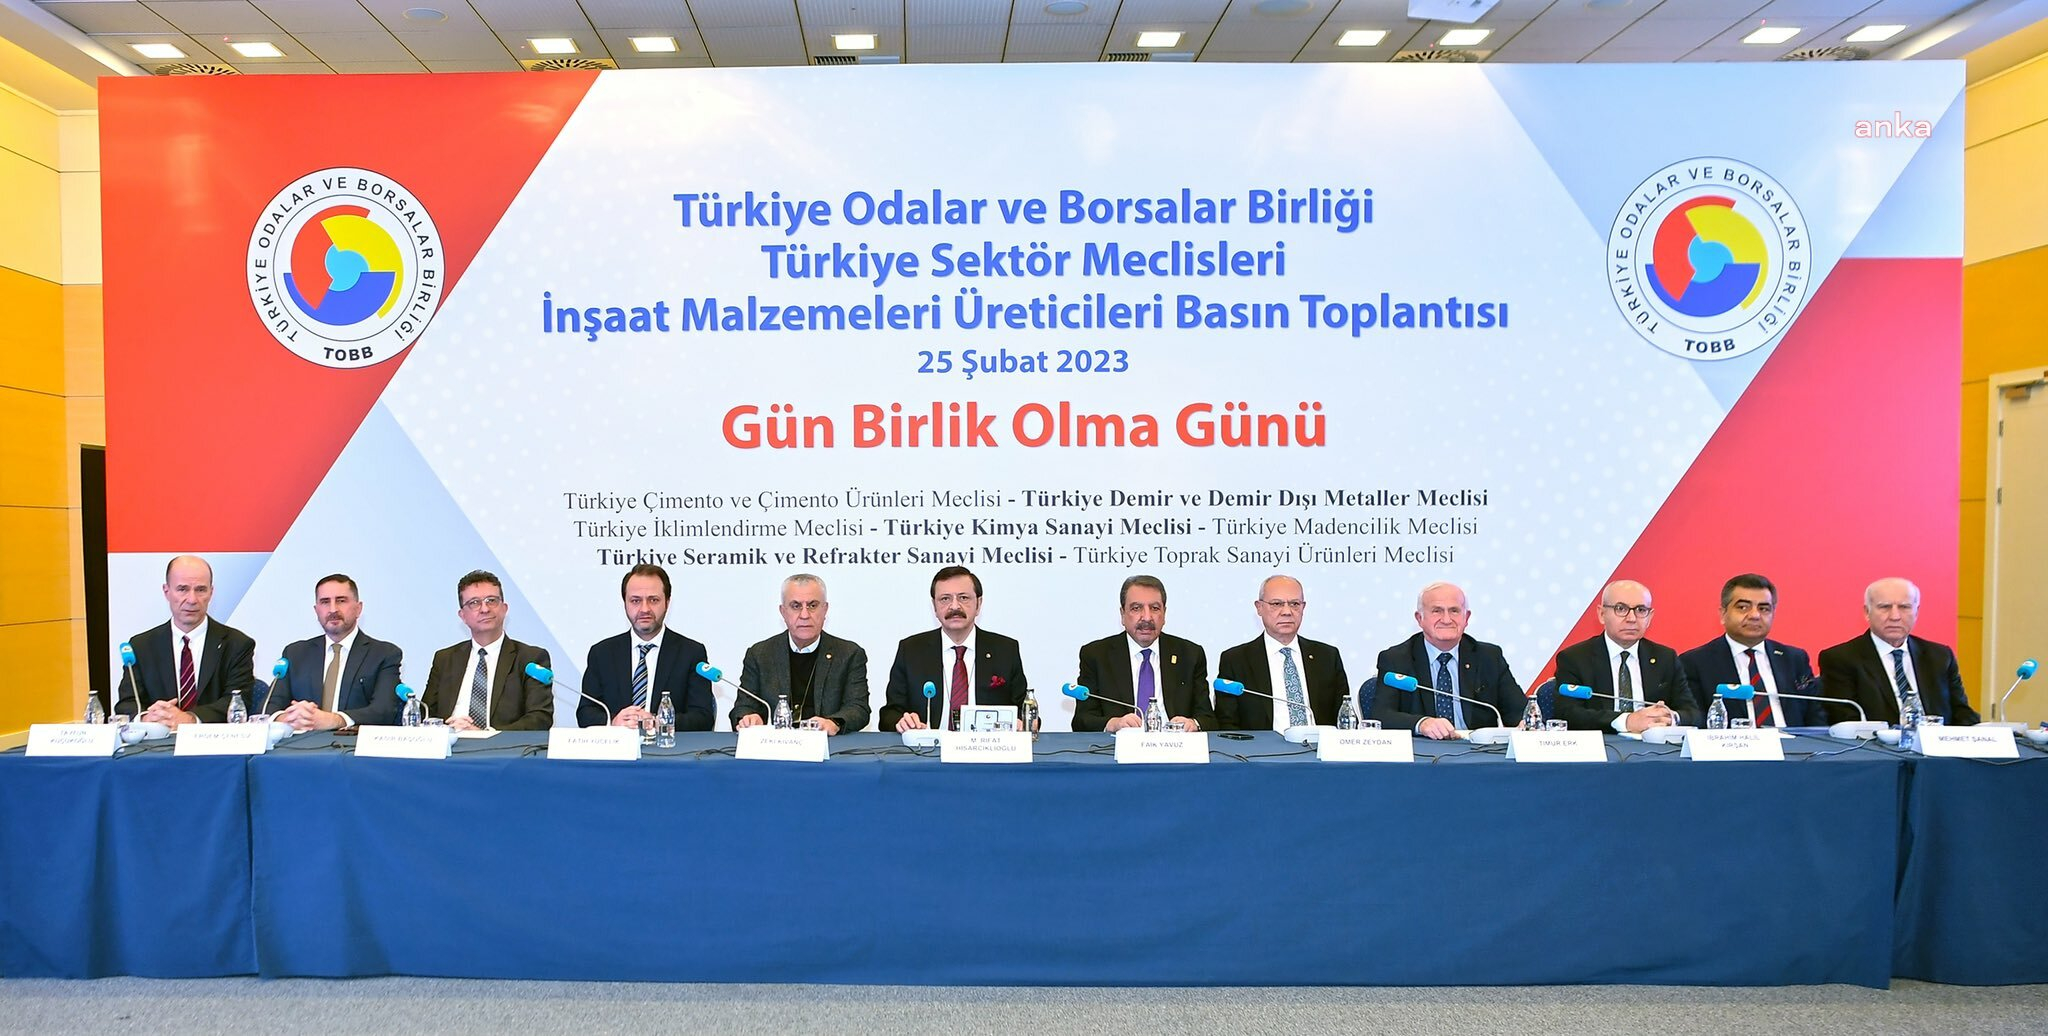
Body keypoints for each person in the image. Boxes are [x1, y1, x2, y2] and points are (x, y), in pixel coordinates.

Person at [880, 566, 1029, 733]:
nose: (955, 606)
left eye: (963, 598)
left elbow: (1026, 713)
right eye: (945, 599)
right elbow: (888, 714)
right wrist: (902, 722)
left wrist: (1023, 723)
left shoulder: (1005, 650)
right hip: (928, 746)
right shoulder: (911, 650)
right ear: (934, 607)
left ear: (979, 604)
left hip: (986, 745)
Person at [113, 554, 256, 726]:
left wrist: (189, 719)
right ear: (166, 591)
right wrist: (146, 718)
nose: (192, 600)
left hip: (211, 739)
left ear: (211, 592)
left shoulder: (237, 644)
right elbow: (127, 704)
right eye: (182, 589)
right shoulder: (141, 646)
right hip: (159, 740)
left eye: (201, 590)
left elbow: (238, 702)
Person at [1817, 577, 1979, 725]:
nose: (1895, 616)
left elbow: (1962, 712)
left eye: (1904, 607)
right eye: (1885, 607)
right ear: (1867, 612)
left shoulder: (1940, 656)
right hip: (1876, 746)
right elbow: (1845, 720)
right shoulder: (1841, 659)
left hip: (1936, 744)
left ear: (1916, 612)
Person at [1373, 581, 1525, 737]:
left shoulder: (1489, 657)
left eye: (1454, 611)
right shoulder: (1396, 659)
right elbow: (1381, 716)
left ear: (1466, 618)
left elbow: (1519, 712)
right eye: (1437, 611)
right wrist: (1422, 723)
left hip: (1476, 749)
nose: (1446, 619)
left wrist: (1524, 723)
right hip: (1423, 748)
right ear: (1419, 618)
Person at [577, 563, 714, 730]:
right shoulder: (602, 653)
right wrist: (613, 722)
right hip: (618, 745)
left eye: (653, 600)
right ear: (625, 603)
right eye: (635, 601)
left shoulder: (691, 653)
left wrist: (657, 722)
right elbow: (585, 712)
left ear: (667, 602)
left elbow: (703, 717)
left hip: (668, 745)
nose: (644, 609)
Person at [730, 574, 870, 734]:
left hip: (828, 744)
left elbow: (858, 708)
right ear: (783, 612)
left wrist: (834, 723)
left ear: (825, 609)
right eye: (796, 606)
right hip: (775, 744)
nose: (804, 615)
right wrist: (749, 718)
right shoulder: (760, 654)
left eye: (812, 605)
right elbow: (743, 707)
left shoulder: (849, 654)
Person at [1553, 579, 1699, 731]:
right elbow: (1567, 714)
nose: (1631, 619)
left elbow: (1693, 713)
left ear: (1650, 617)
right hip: (1604, 743)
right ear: (1602, 614)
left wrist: (1670, 718)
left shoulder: (1665, 658)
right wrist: (1626, 721)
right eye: (1621, 609)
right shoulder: (1575, 658)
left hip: (1654, 743)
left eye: (1641, 610)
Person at [1677, 573, 1821, 727]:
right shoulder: (1695, 662)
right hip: (1734, 741)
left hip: (1794, 741)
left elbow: (1816, 716)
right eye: (1743, 607)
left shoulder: (1794, 659)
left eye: (1764, 608)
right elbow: (1695, 720)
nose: (1755, 615)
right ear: (1723, 614)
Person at [1073, 575, 1212, 733]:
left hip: (1175, 745)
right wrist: (1112, 724)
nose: (1146, 617)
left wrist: (1193, 723)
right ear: (1122, 614)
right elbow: (1081, 720)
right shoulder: (1096, 655)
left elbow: (1208, 719)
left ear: (1164, 614)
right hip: (1120, 746)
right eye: (1136, 608)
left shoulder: (1190, 655)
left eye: (1155, 608)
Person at [1214, 574, 1350, 730]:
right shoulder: (1235, 660)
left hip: (1319, 744)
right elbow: (1227, 725)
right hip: (1262, 745)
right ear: (1259, 608)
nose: (1287, 611)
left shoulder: (1327, 657)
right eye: (1276, 604)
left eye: (1294, 604)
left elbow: (1344, 718)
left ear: (1303, 608)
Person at [421, 570, 553, 730]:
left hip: (500, 745)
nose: (484, 609)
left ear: (504, 608)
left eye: (491, 601)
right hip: (451, 742)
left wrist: (485, 736)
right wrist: (447, 730)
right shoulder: (445, 659)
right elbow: (425, 715)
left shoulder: (530, 658)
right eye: (474, 603)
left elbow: (539, 718)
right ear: (462, 616)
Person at [275, 573, 403, 731]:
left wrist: (335, 720)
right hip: (302, 742)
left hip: (351, 743)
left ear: (358, 608)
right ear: (316, 610)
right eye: (325, 602)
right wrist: (290, 718)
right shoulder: (296, 653)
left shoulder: (384, 654)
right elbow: (269, 706)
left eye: (341, 601)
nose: (333, 609)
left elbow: (384, 711)